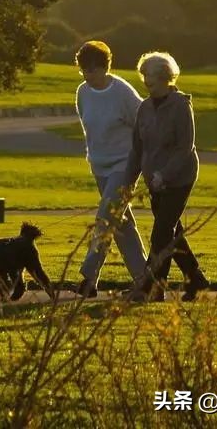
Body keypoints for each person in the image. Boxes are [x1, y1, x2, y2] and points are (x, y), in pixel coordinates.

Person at [124, 51, 210, 303]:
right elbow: (137, 149)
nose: (145, 79)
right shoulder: (144, 108)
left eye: (149, 74)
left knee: (161, 232)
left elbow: (185, 147)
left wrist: (165, 174)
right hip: (155, 180)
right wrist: (129, 182)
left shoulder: (181, 106)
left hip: (179, 178)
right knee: (171, 234)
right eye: (143, 75)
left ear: (164, 76)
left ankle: (152, 287)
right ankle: (196, 279)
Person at [73, 41, 148, 297]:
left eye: (92, 70)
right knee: (122, 225)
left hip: (124, 166)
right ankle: (145, 280)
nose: (88, 75)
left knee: (106, 219)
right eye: (84, 70)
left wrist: (139, 161)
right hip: (100, 167)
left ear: (105, 67)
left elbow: (144, 123)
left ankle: (88, 275)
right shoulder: (82, 92)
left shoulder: (122, 93)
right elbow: (88, 128)